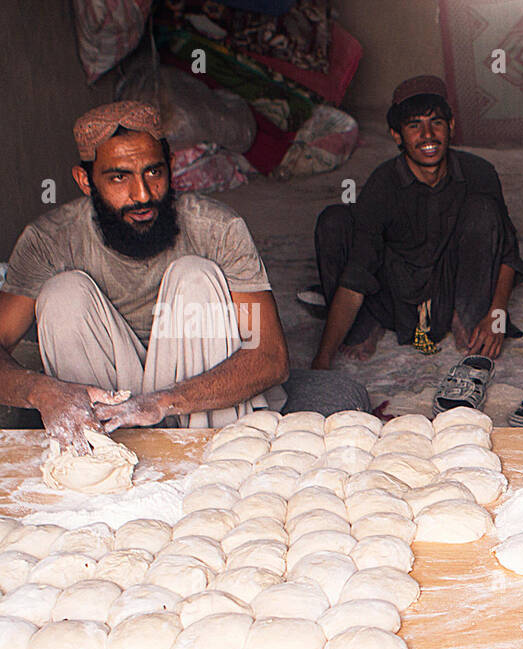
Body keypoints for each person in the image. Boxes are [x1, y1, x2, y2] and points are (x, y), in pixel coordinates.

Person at [0, 100, 334, 452]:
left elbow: (271, 357)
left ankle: (214, 458)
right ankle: (96, 455)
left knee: (195, 276)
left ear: (171, 167)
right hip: (112, 401)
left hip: (200, 402)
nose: (142, 194)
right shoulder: (49, 240)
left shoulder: (217, 228)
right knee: (62, 293)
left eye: (154, 173)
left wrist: (161, 402)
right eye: (119, 178)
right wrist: (42, 392)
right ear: (85, 181)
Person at [311, 75, 523, 368]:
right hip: (394, 294)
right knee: (334, 220)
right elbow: (356, 276)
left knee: (483, 209)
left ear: (451, 127)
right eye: (414, 126)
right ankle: (367, 326)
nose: (428, 135)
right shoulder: (382, 185)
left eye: (436, 122)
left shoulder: (479, 173)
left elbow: (508, 254)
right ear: (397, 135)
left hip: (452, 288)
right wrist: (322, 359)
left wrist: (496, 315)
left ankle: (465, 318)